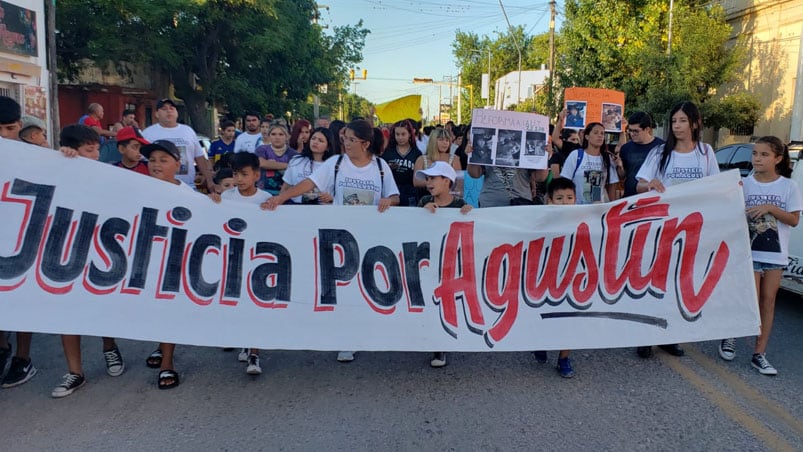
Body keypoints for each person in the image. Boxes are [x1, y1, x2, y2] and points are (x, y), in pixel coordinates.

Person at [263, 119, 400, 363]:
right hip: (340, 236)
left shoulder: (380, 166)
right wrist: (282, 197)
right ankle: (345, 338)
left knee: (365, 285)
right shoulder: (335, 163)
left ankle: (363, 333)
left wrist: (389, 201)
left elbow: (394, 195)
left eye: (351, 140)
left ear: (366, 143)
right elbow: (309, 184)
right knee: (343, 287)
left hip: (370, 236)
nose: (346, 144)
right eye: (344, 139)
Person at [635, 101, 719, 358]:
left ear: (695, 123)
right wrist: (650, 185)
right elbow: (638, 186)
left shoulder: (706, 153)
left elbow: (717, 187)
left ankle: (669, 336)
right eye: (674, 121)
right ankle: (646, 336)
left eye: (683, 121)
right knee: (656, 282)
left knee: (679, 284)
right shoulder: (660, 153)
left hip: (694, 229)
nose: (678, 126)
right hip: (664, 228)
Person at [52, 124, 126, 398]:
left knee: (101, 302)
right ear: (71, 150)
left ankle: (109, 347)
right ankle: (75, 371)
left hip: (98, 247)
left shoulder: (106, 174)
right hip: (63, 250)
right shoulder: (56, 169)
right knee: (66, 311)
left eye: (96, 149)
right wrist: (59, 161)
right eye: (88, 150)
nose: (95, 155)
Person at [718, 136, 801, 375]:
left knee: (768, 301)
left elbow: (794, 221)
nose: (757, 159)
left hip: (775, 254)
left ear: (778, 158)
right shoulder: (745, 184)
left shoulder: (788, 186)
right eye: (755, 154)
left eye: (764, 155)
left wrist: (772, 209)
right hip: (749, 251)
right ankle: (730, 336)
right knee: (749, 300)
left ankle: (759, 353)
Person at [209, 152, 273, 375]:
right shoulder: (227, 197)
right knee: (239, 304)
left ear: (256, 175)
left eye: (245, 174)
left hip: (258, 260)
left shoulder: (265, 198)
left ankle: (254, 352)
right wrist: (213, 202)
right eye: (236, 174)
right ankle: (245, 342)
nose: (240, 179)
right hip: (234, 258)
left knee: (255, 304)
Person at [140, 139, 197, 389]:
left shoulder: (187, 194)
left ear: (178, 164)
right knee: (150, 309)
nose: (156, 165)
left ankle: (167, 363)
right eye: (152, 160)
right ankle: (160, 346)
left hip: (172, 259)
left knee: (168, 309)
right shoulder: (135, 187)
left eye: (163, 160)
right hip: (144, 257)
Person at [415, 161, 472, 367]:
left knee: (446, 303)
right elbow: (411, 224)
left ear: (447, 181)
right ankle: (433, 343)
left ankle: (441, 346)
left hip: (450, 264)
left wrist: (468, 211)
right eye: (427, 179)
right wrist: (423, 211)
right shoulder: (423, 201)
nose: (429, 182)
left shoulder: (459, 205)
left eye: (433, 178)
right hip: (428, 261)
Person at [0, 96, 37, 389]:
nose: (4, 136)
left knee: (24, 298)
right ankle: (3, 348)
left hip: (24, 239)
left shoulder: (34, 157)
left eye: (10, 129)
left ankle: (23, 358)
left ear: (20, 127)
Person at [532, 177, 578, 377]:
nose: (565, 202)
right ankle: (540, 342)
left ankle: (564, 358)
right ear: (549, 200)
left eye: (569, 197)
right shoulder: (540, 220)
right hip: (545, 276)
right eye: (559, 198)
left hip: (573, 276)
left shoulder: (584, 219)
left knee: (569, 318)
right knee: (542, 314)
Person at [142, 98, 214, 192]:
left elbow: (199, 157)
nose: (168, 111)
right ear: (157, 114)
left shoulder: (188, 131)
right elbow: (142, 160)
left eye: (172, 108)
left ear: (176, 113)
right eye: (164, 109)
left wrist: (209, 180)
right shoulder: (148, 133)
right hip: (158, 187)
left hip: (187, 186)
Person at [560, 122, 620, 204]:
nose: (600, 136)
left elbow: (612, 184)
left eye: (602, 133)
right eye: (596, 133)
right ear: (587, 136)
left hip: (598, 209)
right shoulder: (576, 155)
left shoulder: (607, 158)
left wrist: (612, 206)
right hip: (577, 208)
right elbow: (564, 181)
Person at [281, 127, 335, 204]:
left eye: (320, 141)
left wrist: (331, 198)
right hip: (295, 207)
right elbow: (285, 187)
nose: (315, 142)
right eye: (313, 138)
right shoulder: (296, 161)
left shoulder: (333, 166)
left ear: (328, 147)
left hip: (322, 209)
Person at [618, 112, 664, 197]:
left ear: (647, 129)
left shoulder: (662, 147)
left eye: (636, 131)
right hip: (629, 198)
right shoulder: (625, 148)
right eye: (630, 130)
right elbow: (622, 176)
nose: (632, 134)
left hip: (653, 197)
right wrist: (620, 167)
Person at [382, 119, 422, 206]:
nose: (400, 138)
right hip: (392, 193)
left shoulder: (416, 153)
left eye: (403, 134)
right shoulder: (388, 152)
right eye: (397, 134)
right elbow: (381, 171)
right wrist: (388, 167)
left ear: (410, 134)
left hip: (410, 194)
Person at [413, 128, 463, 196]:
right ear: (433, 141)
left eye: (447, 140)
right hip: (426, 197)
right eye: (441, 140)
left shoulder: (455, 159)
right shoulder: (421, 159)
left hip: (448, 198)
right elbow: (416, 182)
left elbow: (458, 182)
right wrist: (436, 183)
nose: (445, 143)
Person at [255, 122, 297, 196]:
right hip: (263, 192)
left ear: (287, 137)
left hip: (286, 194)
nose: (277, 137)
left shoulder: (293, 154)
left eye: (281, 134)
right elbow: (262, 163)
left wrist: (272, 164)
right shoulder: (262, 149)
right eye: (273, 134)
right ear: (269, 136)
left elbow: (296, 171)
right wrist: (288, 165)